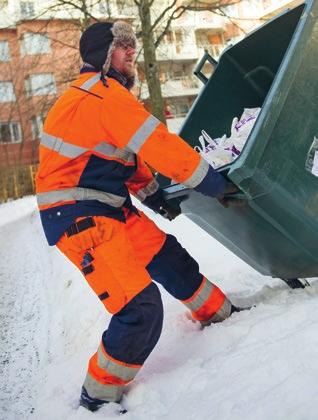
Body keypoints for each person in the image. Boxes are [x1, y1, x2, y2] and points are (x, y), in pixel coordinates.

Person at [36, 21, 242, 413]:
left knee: (168, 257)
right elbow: (159, 145)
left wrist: (154, 197)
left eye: (132, 46)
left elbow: (126, 159)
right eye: (122, 47)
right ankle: (98, 395)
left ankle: (220, 314)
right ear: (102, 57)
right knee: (139, 309)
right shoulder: (104, 96)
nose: (131, 52)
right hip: (79, 216)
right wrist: (211, 182)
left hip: (107, 207)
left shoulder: (97, 96)